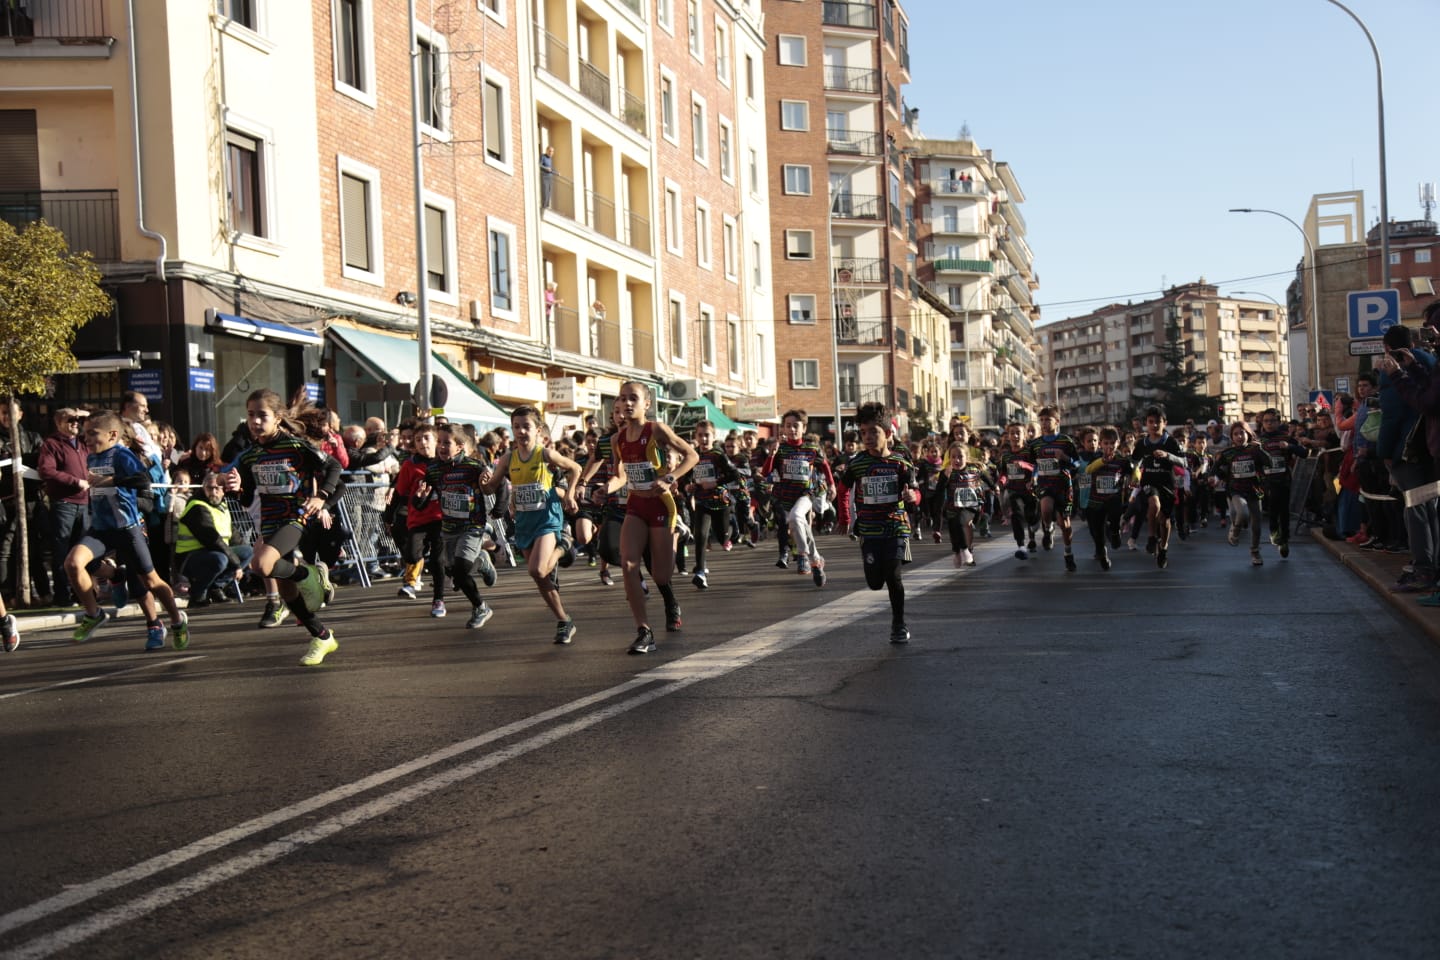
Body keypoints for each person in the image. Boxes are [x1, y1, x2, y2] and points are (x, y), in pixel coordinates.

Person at [223, 389, 343, 666]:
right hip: (270, 521)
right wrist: (236, 489)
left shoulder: (296, 446)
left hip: (296, 517)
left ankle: (308, 572)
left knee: (261, 566)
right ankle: (323, 636)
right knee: (288, 593)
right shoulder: (250, 455)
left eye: (262, 415)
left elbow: (334, 466)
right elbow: (245, 496)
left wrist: (321, 496)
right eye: (250, 415)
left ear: (277, 418)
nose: (254, 421)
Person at [63, 411, 190, 651]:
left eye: (92, 433)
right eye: (85, 433)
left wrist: (110, 481)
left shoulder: (122, 456)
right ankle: (95, 612)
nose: (86, 438)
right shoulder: (92, 458)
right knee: (73, 564)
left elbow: (142, 485)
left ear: (112, 435)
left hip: (128, 529)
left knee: (149, 583)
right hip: (100, 530)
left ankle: (175, 620)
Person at [605, 382, 697, 654]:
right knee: (628, 563)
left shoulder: (656, 429)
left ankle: (670, 595)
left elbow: (691, 455)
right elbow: (621, 475)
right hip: (635, 505)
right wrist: (604, 489)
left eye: (634, 398)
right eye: (623, 398)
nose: (627, 403)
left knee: (660, 574)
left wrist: (670, 478)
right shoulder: (616, 439)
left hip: (661, 506)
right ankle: (644, 630)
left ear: (647, 404)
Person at [482, 405, 582, 644]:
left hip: (547, 520)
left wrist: (569, 495)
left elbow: (575, 468)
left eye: (526, 427)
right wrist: (482, 482)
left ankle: (563, 546)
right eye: (516, 427)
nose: (521, 432)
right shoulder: (508, 459)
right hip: (525, 523)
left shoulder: (545, 454)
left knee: (537, 569)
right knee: (541, 578)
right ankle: (564, 621)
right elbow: (489, 488)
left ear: (538, 430)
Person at [841, 402, 915, 644]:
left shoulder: (901, 463)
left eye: (874, 431)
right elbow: (843, 490)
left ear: (888, 434)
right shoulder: (857, 463)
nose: (868, 437)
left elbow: (915, 492)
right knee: (874, 583)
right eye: (864, 432)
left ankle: (899, 624)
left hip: (895, 526)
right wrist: (845, 517)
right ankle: (878, 574)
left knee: (894, 577)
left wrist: (912, 497)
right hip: (869, 530)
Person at [415, 424, 497, 630]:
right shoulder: (433, 470)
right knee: (453, 570)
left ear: (460, 446)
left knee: (460, 572)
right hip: (449, 528)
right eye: (439, 442)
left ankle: (480, 607)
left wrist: (499, 508)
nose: (441, 447)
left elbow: (497, 486)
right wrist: (420, 499)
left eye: (447, 443)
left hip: (472, 525)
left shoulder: (474, 466)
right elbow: (422, 501)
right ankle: (481, 561)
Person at [763, 409, 835, 585]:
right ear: (783, 429)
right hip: (786, 495)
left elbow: (824, 466)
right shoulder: (781, 450)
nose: (792, 429)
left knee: (796, 517)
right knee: (799, 525)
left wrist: (832, 484)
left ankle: (802, 555)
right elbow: (766, 472)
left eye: (796, 426)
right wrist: (772, 454)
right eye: (788, 426)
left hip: (806, 493)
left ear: (804, 428)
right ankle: (816, 560)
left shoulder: (811, 448)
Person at [37, 407, 91, 607]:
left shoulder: (84, 442)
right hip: (64, 504)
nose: (75, 423)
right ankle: (63, 595)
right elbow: (47, 471)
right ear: (59, 423)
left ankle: (82, 593)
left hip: (85, 503)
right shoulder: (52, 444)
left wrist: (86, 415)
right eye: (70, 420)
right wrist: (75, 482)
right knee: (62, 550)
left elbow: (103, 423)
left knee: (82, 550)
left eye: (77, 420)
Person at [175, 470, 253, 607]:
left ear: (224, 491)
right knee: (221, 559)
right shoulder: (197, 507)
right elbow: (213, 540)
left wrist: (246, 562)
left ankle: (216, 587)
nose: (214, 492)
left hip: (211, 552)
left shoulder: (222, 506)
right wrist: (236, 564)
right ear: (203, 488)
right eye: (209, 488)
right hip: (189, 557)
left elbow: (233, 536)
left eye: (217, 488)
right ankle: (198, 593)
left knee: (248, 551)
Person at [684, 419, 739, 590]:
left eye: (707, 435)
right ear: (696, 436)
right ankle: (700, 572)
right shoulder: (693, 455)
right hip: (702, 501)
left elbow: (734, 475)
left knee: (721, 536)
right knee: (700, 534)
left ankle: (731, 531)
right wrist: (688, 486)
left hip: (719, 501)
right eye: (700, 435)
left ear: (713, 436)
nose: (704, 439)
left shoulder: (718, 455)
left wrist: (715, 482)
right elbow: (686, 478)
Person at [1131, 405, 1186, 569]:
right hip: (1149, 482)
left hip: (1167, 483)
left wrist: (1168, 456)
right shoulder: (1142, 443)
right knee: (1153, 504)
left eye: (1158, 422)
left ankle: (1163, 548)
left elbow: (1184, 462)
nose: (1154, 425)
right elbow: (1134, 462)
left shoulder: (1170, 442)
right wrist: (1133, 474)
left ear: (1165, 423)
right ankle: (1151, 537)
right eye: (1150, 422)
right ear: (1146, 424)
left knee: (1165, 520)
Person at [1027, 406, 1080, 572]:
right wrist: (1032, 477)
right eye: (1041, 420)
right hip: (1045, 484)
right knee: (1046, 507)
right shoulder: (1035, 444)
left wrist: (1064, 457)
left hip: (1063, 486)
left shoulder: (1066, 441)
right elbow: (1032, 465)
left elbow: (1078, 464)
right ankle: (1048, 529)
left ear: (1057, 422)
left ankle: (1068, 553)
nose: (1044, 423)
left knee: (1065, 524)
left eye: (1047, 420)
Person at [1213, 421, 1272, 566]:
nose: (1239, 436)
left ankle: (1255, 551)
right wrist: (1212, 476)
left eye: (1242, 433)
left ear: (1248, 434)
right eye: (1236, 434)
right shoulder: (1228, 453)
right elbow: (1215, 467)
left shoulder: (1254, 450)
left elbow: (1269, 462)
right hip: (1236, 490)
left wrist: (1261, 450)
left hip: (1254, 489)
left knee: (1256, 524)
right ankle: (1235, 530)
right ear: (1231, 437)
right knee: (1243, 514)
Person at [1083, 427, 1132, 570]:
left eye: (1112, 443)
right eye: (1106, 443)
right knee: (1097, 531)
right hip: (1095, 500)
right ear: (1100, 444)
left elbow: (1134, 471)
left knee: (1115, 515)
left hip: (1113, 497)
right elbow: (1087, 470)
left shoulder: (1122, 459)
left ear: (1118, 443)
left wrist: (1134, 479)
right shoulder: (1094, 457)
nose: (1109, 447)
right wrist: (1102, 461)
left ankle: (1115, 531)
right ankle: (1102, 554)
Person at [941, 441, 993, 567]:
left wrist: (994, 487)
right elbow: (939, 490)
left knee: (962, 522)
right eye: (953, 457)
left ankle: (966, 550)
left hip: (971, 506)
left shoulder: (974, 469)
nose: (957, 460)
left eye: (960, 456)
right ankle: (957, 552)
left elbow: (987, 478)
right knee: (954, 528)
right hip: (953, 507)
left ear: (966, 457)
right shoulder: (947, 472)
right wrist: (945, 478)